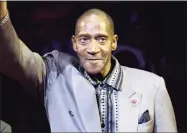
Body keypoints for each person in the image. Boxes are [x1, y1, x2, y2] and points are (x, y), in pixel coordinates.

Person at [0, 1, 177, 132]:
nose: (92, 49)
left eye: (101, 39)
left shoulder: (152, 86)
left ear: (114, 42)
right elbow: (15, 58)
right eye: (84, 39)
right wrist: (2, 16)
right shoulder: (53, 75)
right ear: (74, 43)